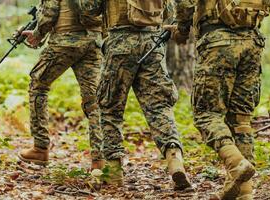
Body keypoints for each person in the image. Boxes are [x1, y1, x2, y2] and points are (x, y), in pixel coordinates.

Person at [169, 0, 270, 199]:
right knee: (241, 119)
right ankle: (244, 192)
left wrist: (182, 29)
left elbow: (185, 3)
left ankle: (236, 162)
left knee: (206, 114)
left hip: (218, 43)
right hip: (252, 42)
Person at [78, 0, 192, 190]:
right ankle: (175, 161)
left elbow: (88, 9)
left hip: (119, 42)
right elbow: (169, 10)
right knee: (159, 106)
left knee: (110, 108)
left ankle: (114, 174)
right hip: (152, 43)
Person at [18, 0, 104, 170]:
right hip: (93, 42)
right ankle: (99, 160)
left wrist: (38, 33)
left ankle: (40, 148)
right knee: (93, 100)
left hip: (64, 42)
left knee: (38, 85)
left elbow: (49, 14)